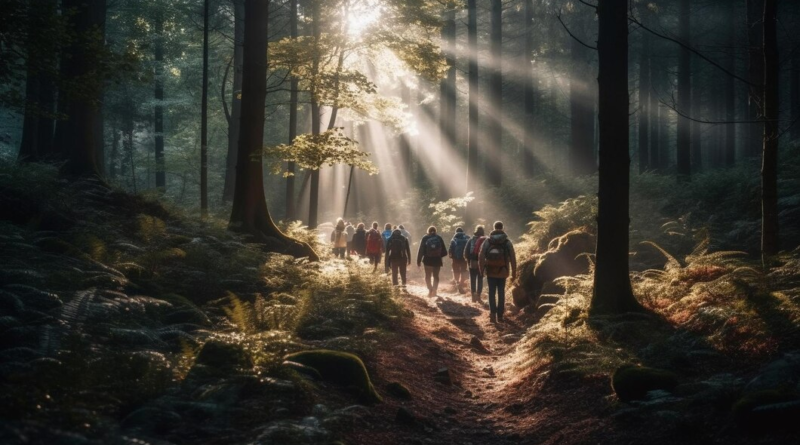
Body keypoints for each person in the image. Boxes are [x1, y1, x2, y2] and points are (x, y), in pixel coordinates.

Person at [479, 221, 517, 323]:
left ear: (494, 227)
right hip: (503, 271)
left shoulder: (488, 241)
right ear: (502, 228)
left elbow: (481, 255)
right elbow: (513, 257)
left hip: (490, 270)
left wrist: (481, 270)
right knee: (501, 292)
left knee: (491, 292)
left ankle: (492, 314)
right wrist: (514, 272)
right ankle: (500, 316)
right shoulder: (507, 242)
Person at [417, 226, 447, 297]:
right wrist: (439, 255)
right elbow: (445, 252)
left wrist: (418, 261)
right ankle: (435, 290)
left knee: (428, 276)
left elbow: (421, 250)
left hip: (427, 260)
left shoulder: (425, 238)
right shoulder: (439, 238)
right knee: (436, 276)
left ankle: (430, 289)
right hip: (437, 260)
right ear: (435, 231)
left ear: (428, 231)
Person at [464, 225, 487, 303]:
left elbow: (465, 253)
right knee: (480, 279)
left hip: (472, 262)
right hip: (481, 263)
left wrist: (468, 261)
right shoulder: (485, 240)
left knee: (473, 279)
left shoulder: (471, 240)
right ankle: (479, 295)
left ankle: (473, 295)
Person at [449, 227, 470, 293]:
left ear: (456, 232)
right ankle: (462, 283)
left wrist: (451, 256)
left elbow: (450, 249)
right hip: (464, 258)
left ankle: (457, 283)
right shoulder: (467, 238)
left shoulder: (454, 239)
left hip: (455, 258)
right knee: (463, 270)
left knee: (456, 270)